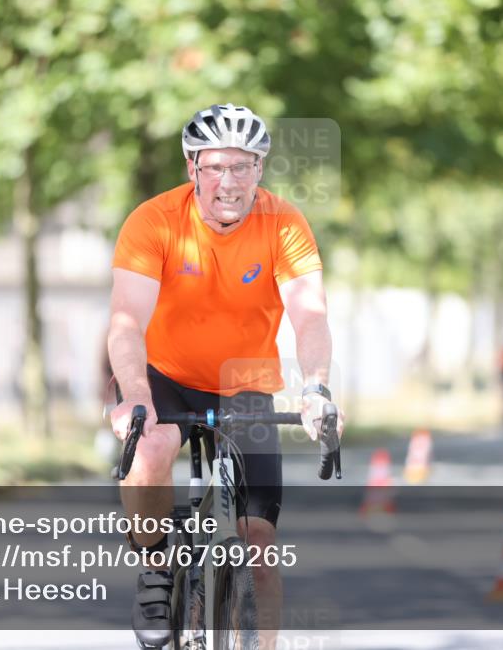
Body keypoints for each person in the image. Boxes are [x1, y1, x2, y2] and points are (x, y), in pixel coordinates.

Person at [107, 103, 344, 649]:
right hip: (164, 375)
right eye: (214, 167)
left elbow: (310, 315)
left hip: (246, 384)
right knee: (149, 449)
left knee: (259, 549)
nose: (228, 182)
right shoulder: (154, 221)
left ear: (260, 169)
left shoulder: (284, 223)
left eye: (242, 166)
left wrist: (316, 389)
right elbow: (126, 321)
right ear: (192, 167)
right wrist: (136, 399)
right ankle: (154, 567)